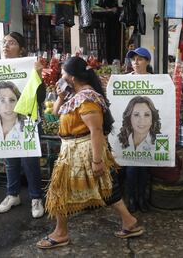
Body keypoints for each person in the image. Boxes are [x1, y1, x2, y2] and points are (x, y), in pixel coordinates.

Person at [36, 57, 143, 249]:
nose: (61, 77)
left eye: (63, 74)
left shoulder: (87, 98)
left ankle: (60, 233)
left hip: (83, 151)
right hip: (72, 150)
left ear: (72, 77)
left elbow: (96, 130)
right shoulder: (73, 95)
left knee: (60, 191)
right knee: (106, 188)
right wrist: (60, 96)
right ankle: (130, 222)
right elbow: (55, 111)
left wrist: (97, 160)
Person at [0, 32, 45, 218]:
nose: (6, 46)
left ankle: (35, 197)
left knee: (29, 160)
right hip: (7, 119)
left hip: (28, 120)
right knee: (10, 159)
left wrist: (38, 77)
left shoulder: (30, 67)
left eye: (12, 43)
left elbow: (40, 98)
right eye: (4, 43)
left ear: (21, 48)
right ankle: (12, 194)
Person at [122, 47, 153, 213]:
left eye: (140, 59)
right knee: (132, 166)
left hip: (146, 128)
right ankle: (132, 198)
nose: (135, 62)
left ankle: (142, 197)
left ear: (147, 62)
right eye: (133, 59)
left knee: (144, 166)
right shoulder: (124, 80)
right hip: (130, 129)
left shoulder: (156, 80)